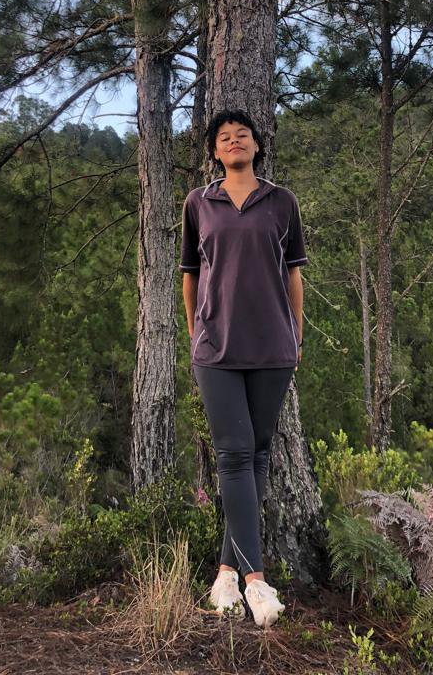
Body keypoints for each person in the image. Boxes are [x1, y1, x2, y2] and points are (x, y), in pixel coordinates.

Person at [179, 108, 309, 628]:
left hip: (272, 347)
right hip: (216, 350)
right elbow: (190, 274)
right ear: (215, 152)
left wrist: (297, 333)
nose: (234, 142)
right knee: (234, 454)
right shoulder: (198, 203)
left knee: (255, 455)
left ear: (257, 145)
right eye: (225, 138)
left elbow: (294, 274)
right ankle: (257, 582)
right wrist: (196, 331)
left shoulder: (282, 202)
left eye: (243, 135)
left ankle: (226, 574)